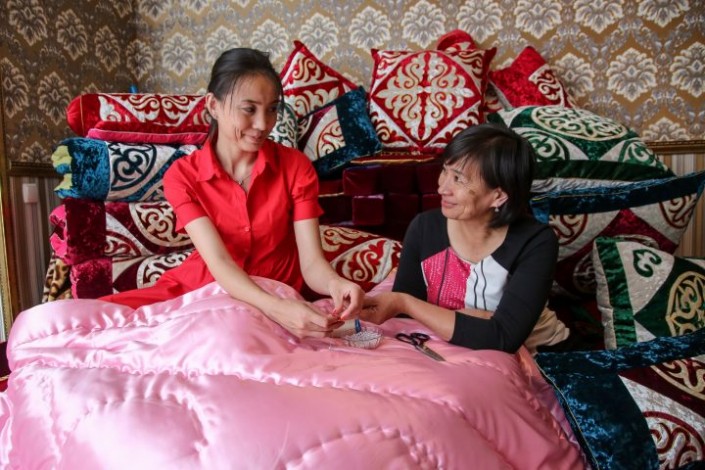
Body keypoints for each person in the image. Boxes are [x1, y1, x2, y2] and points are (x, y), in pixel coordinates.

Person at [101, 48, 364, 338]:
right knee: (88, 320)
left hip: (276, 292)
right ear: (213, 105)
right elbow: (220, 262)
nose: (263, 124)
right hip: (205, 290)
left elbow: (312, 263)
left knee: (233, 337)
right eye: (249, 109)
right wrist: (276, 309)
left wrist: (334, 283)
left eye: (272, 109)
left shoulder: (295, 167)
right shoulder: (183, 176)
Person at [360, 123, 569, 353]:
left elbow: (503, 338)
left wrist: (406, 303)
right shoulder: (424, 228)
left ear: (498, 196)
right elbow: (405, 320)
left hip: (538, 355)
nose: (442, 188)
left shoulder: (536, 242)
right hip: (452, 352)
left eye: (458, 179)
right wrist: (483, 319)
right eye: (445, 171)